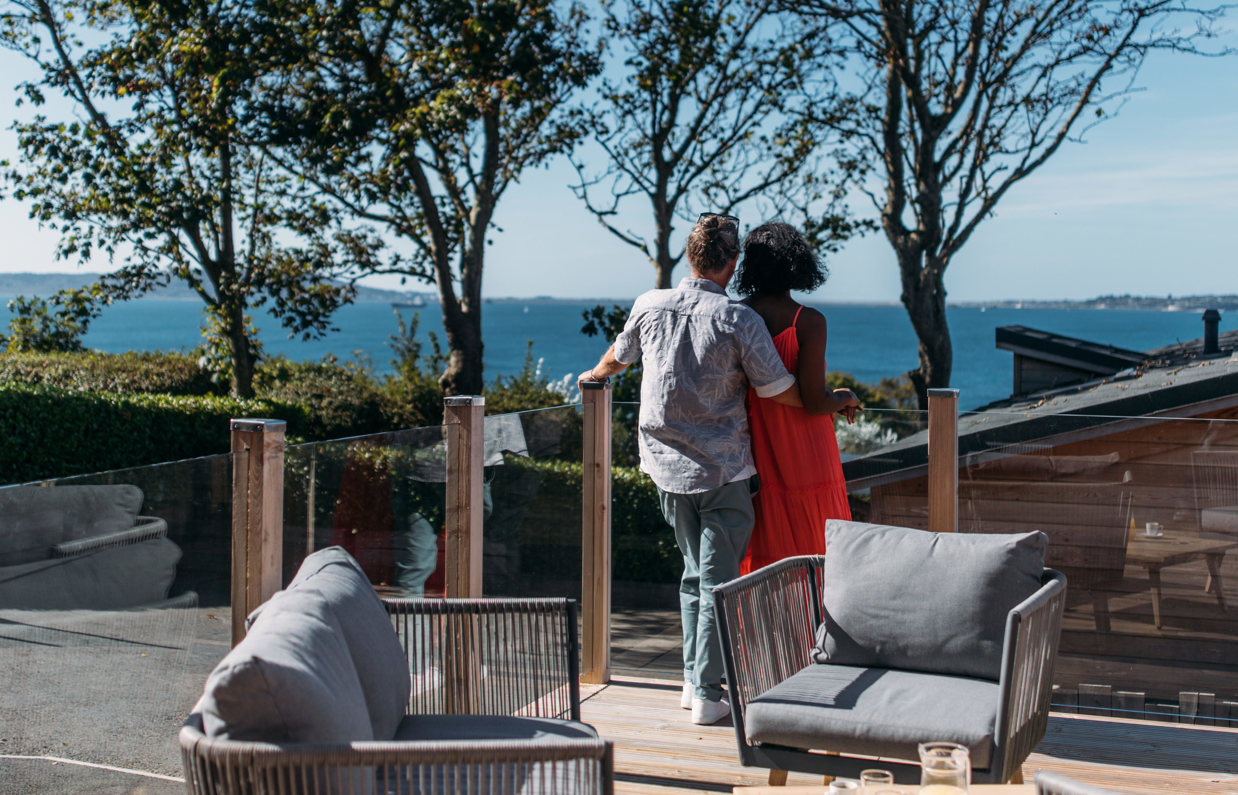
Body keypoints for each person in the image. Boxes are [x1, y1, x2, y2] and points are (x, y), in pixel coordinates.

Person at [579, 213, 802, 725]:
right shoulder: (737, 319)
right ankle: (706, 691)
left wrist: (592, 375)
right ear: (732, 261)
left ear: (691, 256)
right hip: (723, 471)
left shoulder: (649, 304)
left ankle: (691, 681)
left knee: (693, 577)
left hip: (665, 468)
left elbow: (618, 356)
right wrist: (831, 400)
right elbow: (778, 389)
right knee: (717, 584)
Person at [731, 222, 861, 575]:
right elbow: (816, 401)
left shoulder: (736, 316)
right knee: (817, 546)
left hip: (752, 446)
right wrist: (845, 396)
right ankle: (815, 628)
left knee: (760, 545)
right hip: (807, 449)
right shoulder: (809, 321)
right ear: (797, 263)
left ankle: (757, 628)